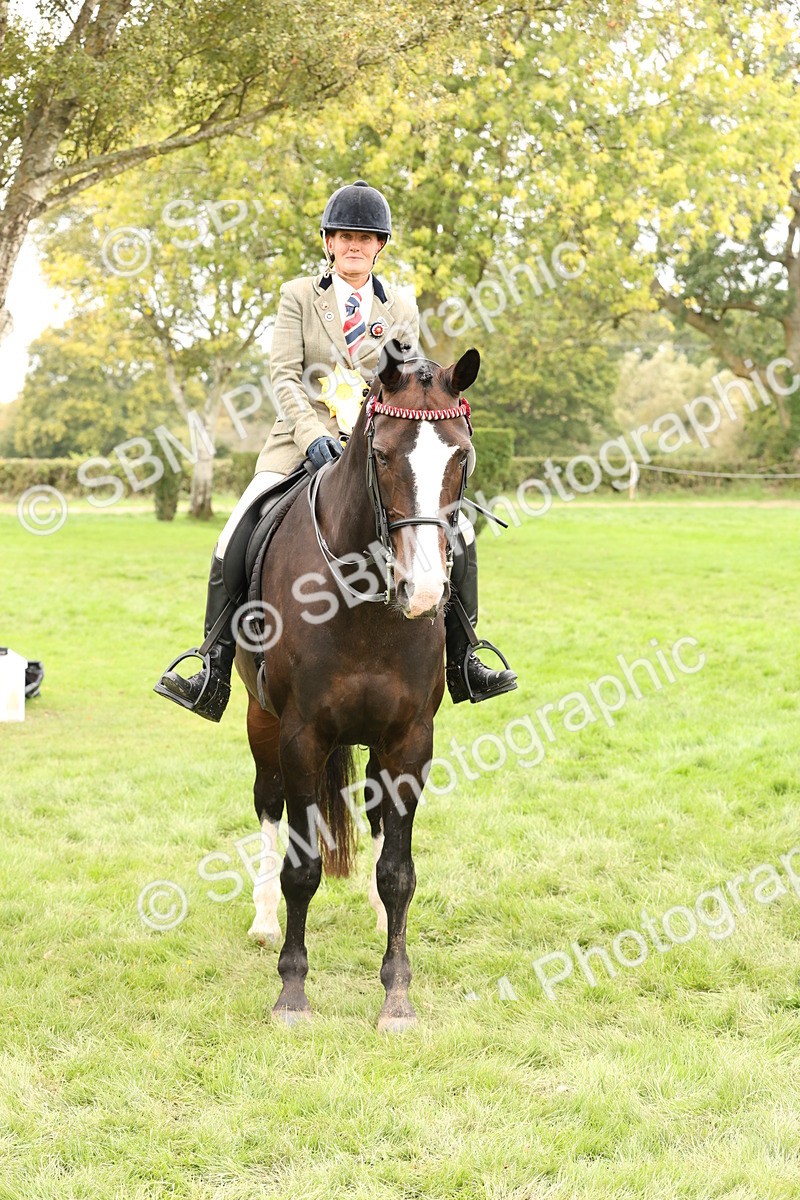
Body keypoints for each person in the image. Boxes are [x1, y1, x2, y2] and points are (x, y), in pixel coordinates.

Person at [155, 180, 517, 721]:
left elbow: (407, 383)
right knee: (233, 536)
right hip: (298, 443)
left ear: (380, 246)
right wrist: (312, 436)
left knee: (456, 535)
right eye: (345, 235)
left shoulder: (400, 307)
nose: (355, 245)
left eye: (367, 237)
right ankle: (211, 666)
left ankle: (466, 660)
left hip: (379, 446)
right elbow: (282, 375)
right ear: (328, 241)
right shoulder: (298, 296)